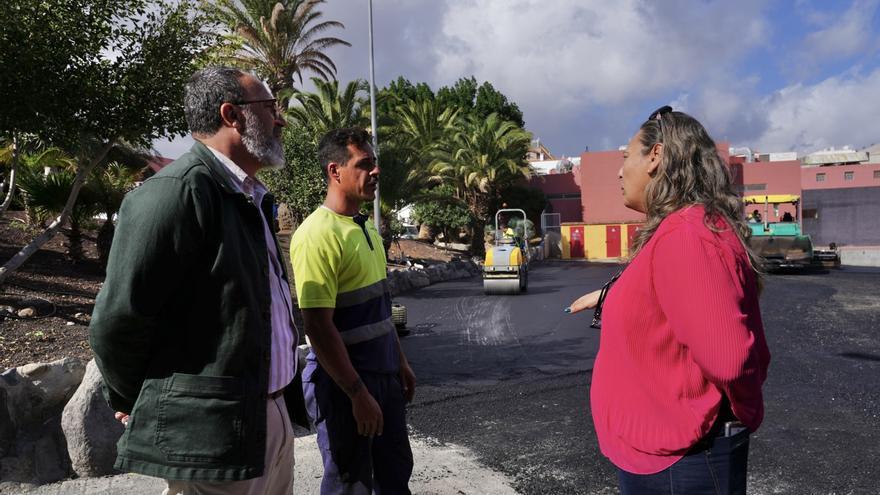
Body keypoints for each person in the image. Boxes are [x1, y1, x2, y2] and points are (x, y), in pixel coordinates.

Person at [89, 66, 307, 494]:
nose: (280, 119)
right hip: (213, 435)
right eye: (270, 108)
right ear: (233, 114)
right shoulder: (176, 192)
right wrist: (141, 400)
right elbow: (117, 321)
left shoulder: (249, 196)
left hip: (270, 417)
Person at [566, 106, 771, 494]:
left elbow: (729, 359)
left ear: (656, 156)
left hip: (686, 458)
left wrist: (737, 415)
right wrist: (613, 296)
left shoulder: (687, 235)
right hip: (666, 455)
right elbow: (667, 305)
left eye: (626, 157)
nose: (619, 170)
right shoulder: (681, 230)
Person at [291, 128, 416, 494]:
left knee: (394, 477)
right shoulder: (317, 235)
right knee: (350, 483)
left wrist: (400, 362)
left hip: (384, 376)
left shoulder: (367, 229)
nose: (375, 171)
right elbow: (317, 327)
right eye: (364, 164)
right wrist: (358, 394)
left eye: (374, 163)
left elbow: (379, 310)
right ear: (335, 171)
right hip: (345, 386)